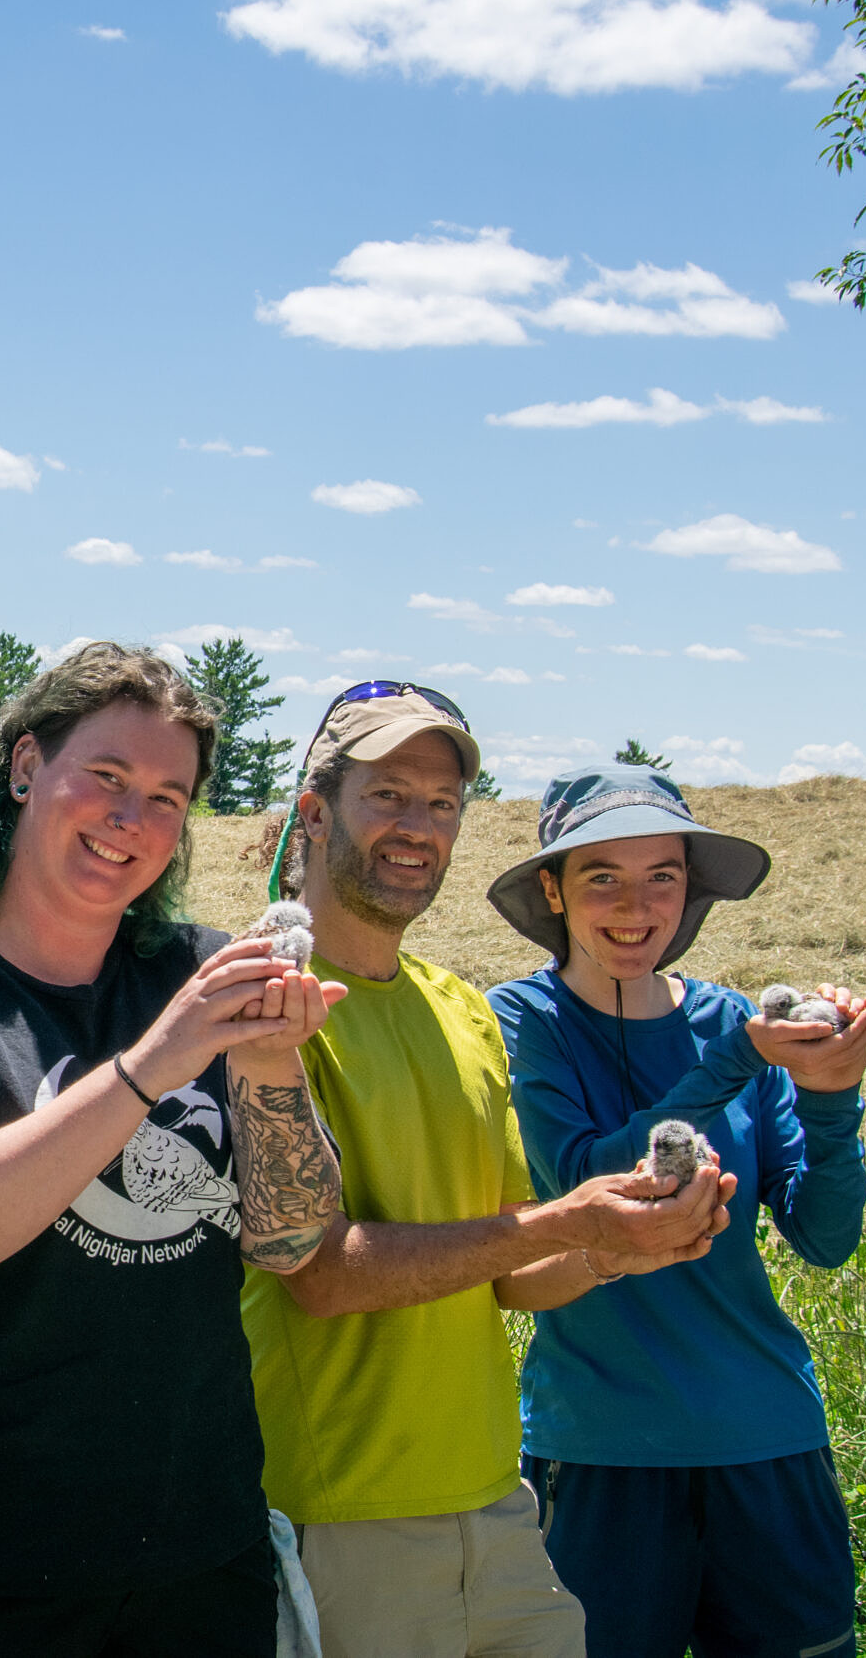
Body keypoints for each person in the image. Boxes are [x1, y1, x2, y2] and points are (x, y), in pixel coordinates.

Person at [0, 641, 350, 1658]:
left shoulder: (191, 970)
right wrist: (155, 1062)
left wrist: (269, 1066)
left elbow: (292, 1240)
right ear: (21, 767)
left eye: (167, 796)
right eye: (105, 776)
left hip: (191, 1558)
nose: (131, 819)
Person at [242, 683, 743, 1658]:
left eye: (441, 803)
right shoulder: (261, 1001)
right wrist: (568, 1223)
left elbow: (509, 1268)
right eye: (387, 794)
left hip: (495, 1501)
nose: (417, 827)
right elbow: (322, 1272)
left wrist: (619, 1240)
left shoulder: (459, 1009)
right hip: (341, 1517)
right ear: (313, 812)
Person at [484, 763, 866, 1658]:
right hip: (600, 1451)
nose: (637, 904)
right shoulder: (522, 1019)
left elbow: (824, 1235)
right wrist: (739, 1059)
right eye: (602, 877)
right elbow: (587, 1173)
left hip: (768, 1439)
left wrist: (831, 1094)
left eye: (662, 874)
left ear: (690, 888)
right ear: (553, 889)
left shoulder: (728, 1018)